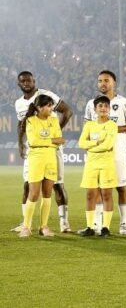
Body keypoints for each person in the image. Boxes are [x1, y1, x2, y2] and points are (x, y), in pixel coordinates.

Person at [14, 71, 73, 233]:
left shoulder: (46, 95)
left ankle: (64, 223)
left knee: (57, 185)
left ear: (34, 81)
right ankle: (26, 223)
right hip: (33, 151)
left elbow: (67, 111)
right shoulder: (19, 103)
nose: (26, 83)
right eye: (23, 81)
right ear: (19, 84)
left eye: (29, 80)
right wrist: (20, 143)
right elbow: (21, 125)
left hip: (52, 152)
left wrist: (55, 132)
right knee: (28, 185)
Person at [84, 70, 126, 235]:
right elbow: (87, 127)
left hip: (118, 154)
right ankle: (99, 224)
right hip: (97, 155)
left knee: (121, 188)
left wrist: (113, 129)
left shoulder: (123, 102)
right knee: (99, 189)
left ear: (114, 83)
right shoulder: (91, 104)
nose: (102, 84)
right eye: (100, 81)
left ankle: (123, 224)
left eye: (106, 80)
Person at [18, 94, 66, 237]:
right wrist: (52, 140)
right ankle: (26, 226)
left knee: (47, 194)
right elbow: (33, 141)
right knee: (33, 194)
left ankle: (43, 227)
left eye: (52, 105)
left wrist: (47, 140)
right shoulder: (30, 121)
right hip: (36, 159)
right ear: (39, 107)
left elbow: (61, 139)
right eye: (49, 105)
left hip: (51, 158)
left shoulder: (54, 120)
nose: (51, 108)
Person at [77, 96, 118, 238]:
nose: (103, 108)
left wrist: (91, 145)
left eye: (106, 106)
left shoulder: (112, 125)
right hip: (91, 164)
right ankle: (90, 227)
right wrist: (96, 143)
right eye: (100, 106)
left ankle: (105, 227)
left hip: (106, 163)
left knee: (107, 194)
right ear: (95, 109)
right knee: (90, 195)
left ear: (109, 109)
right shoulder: (89, 125)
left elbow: (108, 145)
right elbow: (81, 143)